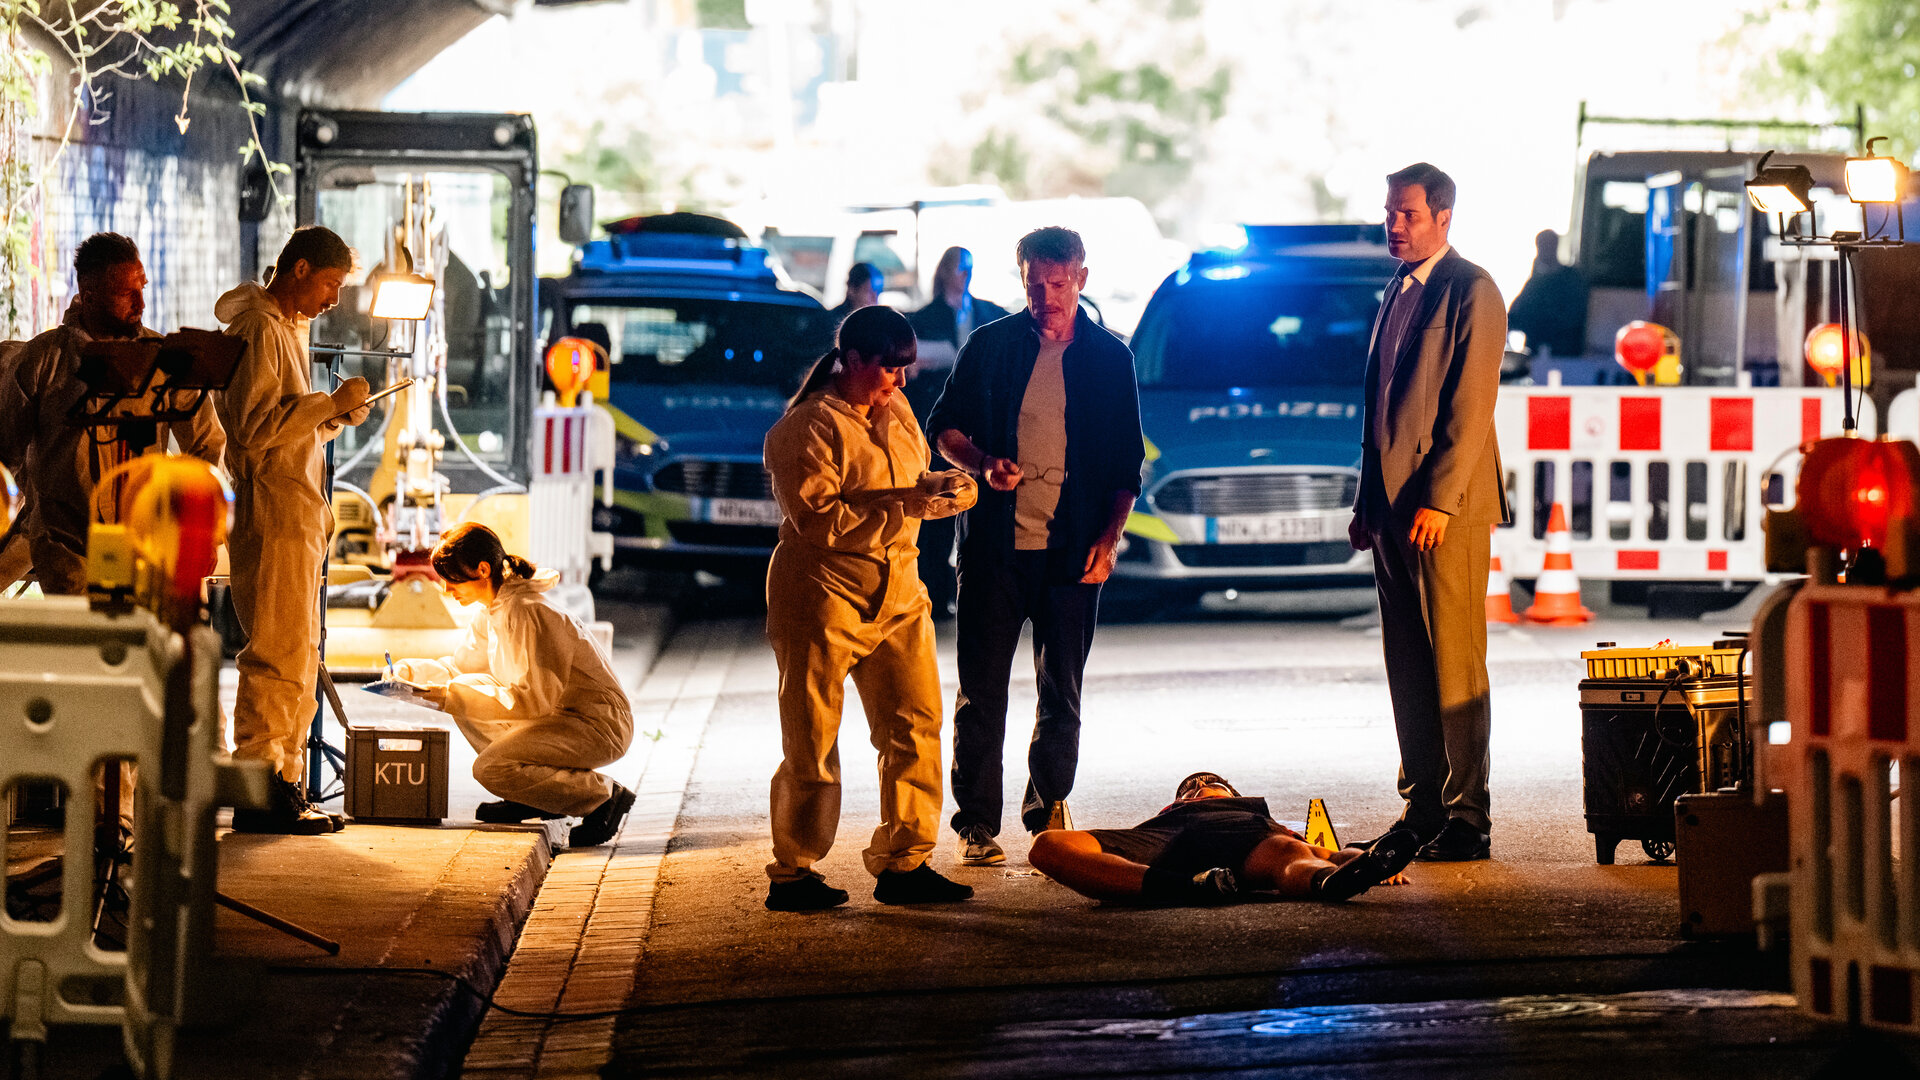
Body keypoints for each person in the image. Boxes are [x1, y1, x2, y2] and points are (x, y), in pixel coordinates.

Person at [927, 226, 1145, 866]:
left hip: (1072, 549)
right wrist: (982, 461)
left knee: (1063, 689)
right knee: (981, 689)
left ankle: (1048, 803)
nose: (1046, 296)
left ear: (1081, 276)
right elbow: (945, 428)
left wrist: (1109, 538)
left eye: (1057, 282)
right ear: (1019, 277)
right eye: (1034, 283)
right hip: (995, 550)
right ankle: (975, 823)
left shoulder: (1110, 358)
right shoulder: (991, 346)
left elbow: (1126, 465)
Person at [761, 305, 979, 911]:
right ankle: (794, 871)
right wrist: (908, 501)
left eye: (905, 370)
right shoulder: (804, 429)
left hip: (900, 593)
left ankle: (905, 862)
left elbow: (908, 491)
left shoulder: (895, 410)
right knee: (811, 739)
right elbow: (820, 520)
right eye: (890, 369)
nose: (900, 382)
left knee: (916, 723)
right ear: (852, 360)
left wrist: (944, 491)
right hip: (823, 596)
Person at [1349, 163, 1511, 863]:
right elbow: (1379, 407)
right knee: (1408, 662)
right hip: (1390, 510)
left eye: (1406, 213)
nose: (1394, 224)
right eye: (1390, 212)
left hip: (1444, 509)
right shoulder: (1397, 289)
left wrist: (1441, 500)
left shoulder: (1471, 289)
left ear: (1443, 216)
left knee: (1454, 663)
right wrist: (1366, 503)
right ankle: (1421, 810)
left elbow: (1470, 408)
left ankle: (1466, 817)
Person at [214, 226, 375, 835]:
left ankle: (283, 781)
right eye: (331, 284)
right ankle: (259, 787)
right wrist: (329, 404)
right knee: (277, 653)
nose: (334, 299)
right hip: (274, 512)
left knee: (298, 652)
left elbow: (289, 430)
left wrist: (334, 417)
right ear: (300, 268)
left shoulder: (285, 330)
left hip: (295, 510)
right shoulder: (259, 330)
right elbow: (257, 429)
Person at [0, 232, 225, 594]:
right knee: (82, 644)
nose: (140, 303)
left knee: (136, 645)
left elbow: (205, 443)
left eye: (143, 289)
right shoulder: (44, 361)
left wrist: (200, 529)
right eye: (126, 294)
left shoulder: (164, 359)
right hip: (66, 544)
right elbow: (5, 451)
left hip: (146, 542)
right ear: (89, 297)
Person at [391, 523, 636, 848]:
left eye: (452, 579)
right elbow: (461, 668)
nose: (448, 590)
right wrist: (410, 674)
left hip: (598, 724)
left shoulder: (527, 613)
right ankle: (535, 797)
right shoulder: (492, 610)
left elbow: (532, 701)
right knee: (462, 694)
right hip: (563, 717)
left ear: (482, 569)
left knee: (491, 768)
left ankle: (602, 798)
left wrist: (451, 695)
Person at [1029, 772, 1422, 904]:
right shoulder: (1160, 822)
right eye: (1191, 785)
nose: (1201, 784)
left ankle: (1328, 887)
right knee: (1046, 845)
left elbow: (1329, 852)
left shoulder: (1255, 817)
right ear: (1176, 801)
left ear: (1232, 794)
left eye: (1211, 782)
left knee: (1292, 855)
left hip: (1247, 841)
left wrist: (1368, 863)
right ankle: (1188, 888)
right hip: (1167, 842)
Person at [1506, 229, 1588, 360]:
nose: (1543, 251)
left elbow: (1571, 317)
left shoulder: (1571, 278)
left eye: (1546, 245)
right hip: (1537, 355)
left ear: (1555, 246)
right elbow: (1517, 312)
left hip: (1564, 356)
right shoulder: (1536, 281)